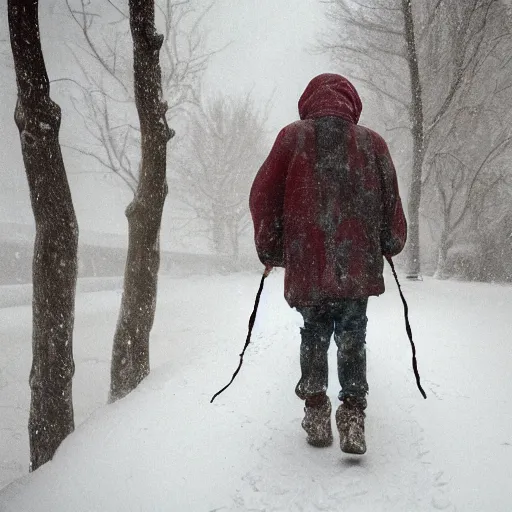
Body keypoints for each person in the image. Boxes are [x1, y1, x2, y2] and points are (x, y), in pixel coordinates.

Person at [249, 73, 407, 454]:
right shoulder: (373, 144)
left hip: (309, 262)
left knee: (314, 334)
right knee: (353, 337)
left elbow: (263, 196)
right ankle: (352, 416)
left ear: (309, 101)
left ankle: (316, 410)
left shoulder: (292, 138)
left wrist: (272, 248)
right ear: (352, 103)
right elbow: (390, 201)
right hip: (356, 263)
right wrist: (389, 241)